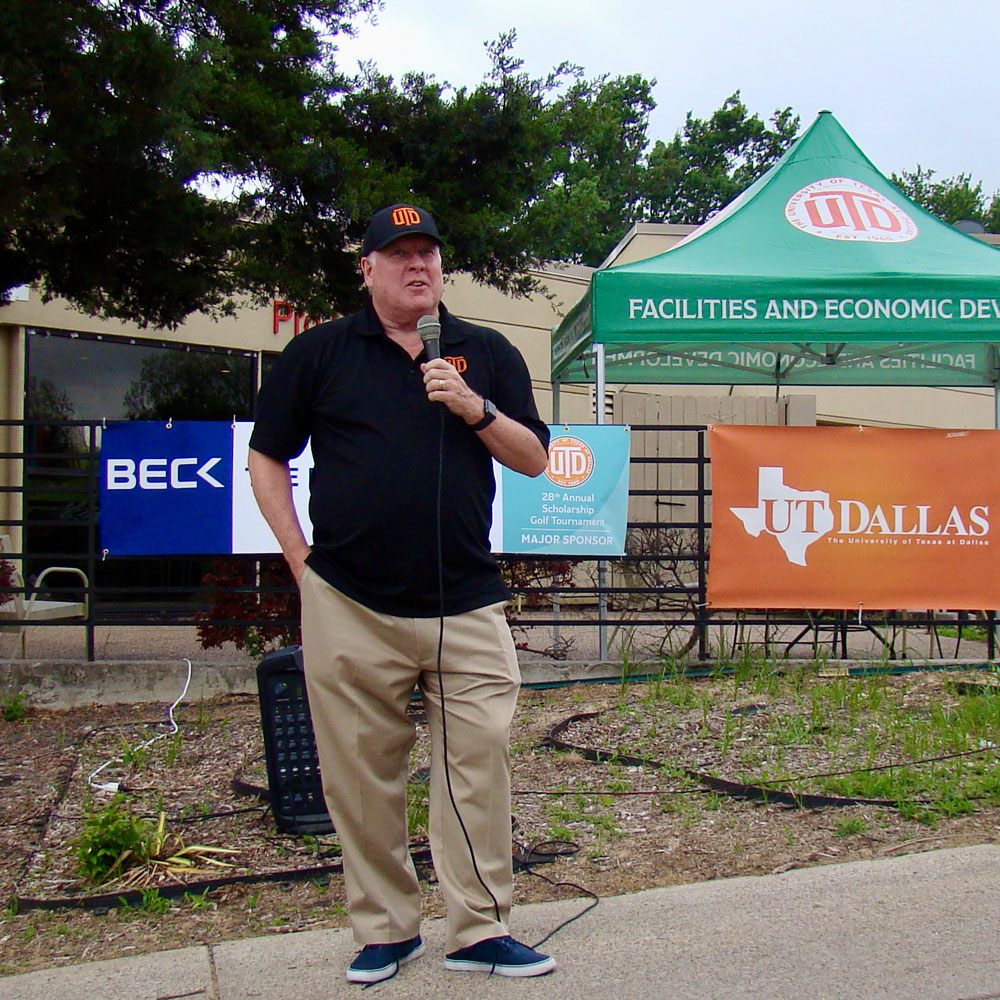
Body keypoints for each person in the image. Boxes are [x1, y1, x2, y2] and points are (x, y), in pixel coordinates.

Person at [248, 203, 555, 984]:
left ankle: (480, 928)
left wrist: (471, 404)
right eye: (400, 254)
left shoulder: (484, 353)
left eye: (429, 254)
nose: (419, 266)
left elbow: (533, 458)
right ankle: (387, 927)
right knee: (359, 771)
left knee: (477, 765)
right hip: (351, 602)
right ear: (369, 269)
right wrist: (299, 560)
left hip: (468, 602)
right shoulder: (319, 354)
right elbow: (266, 458)